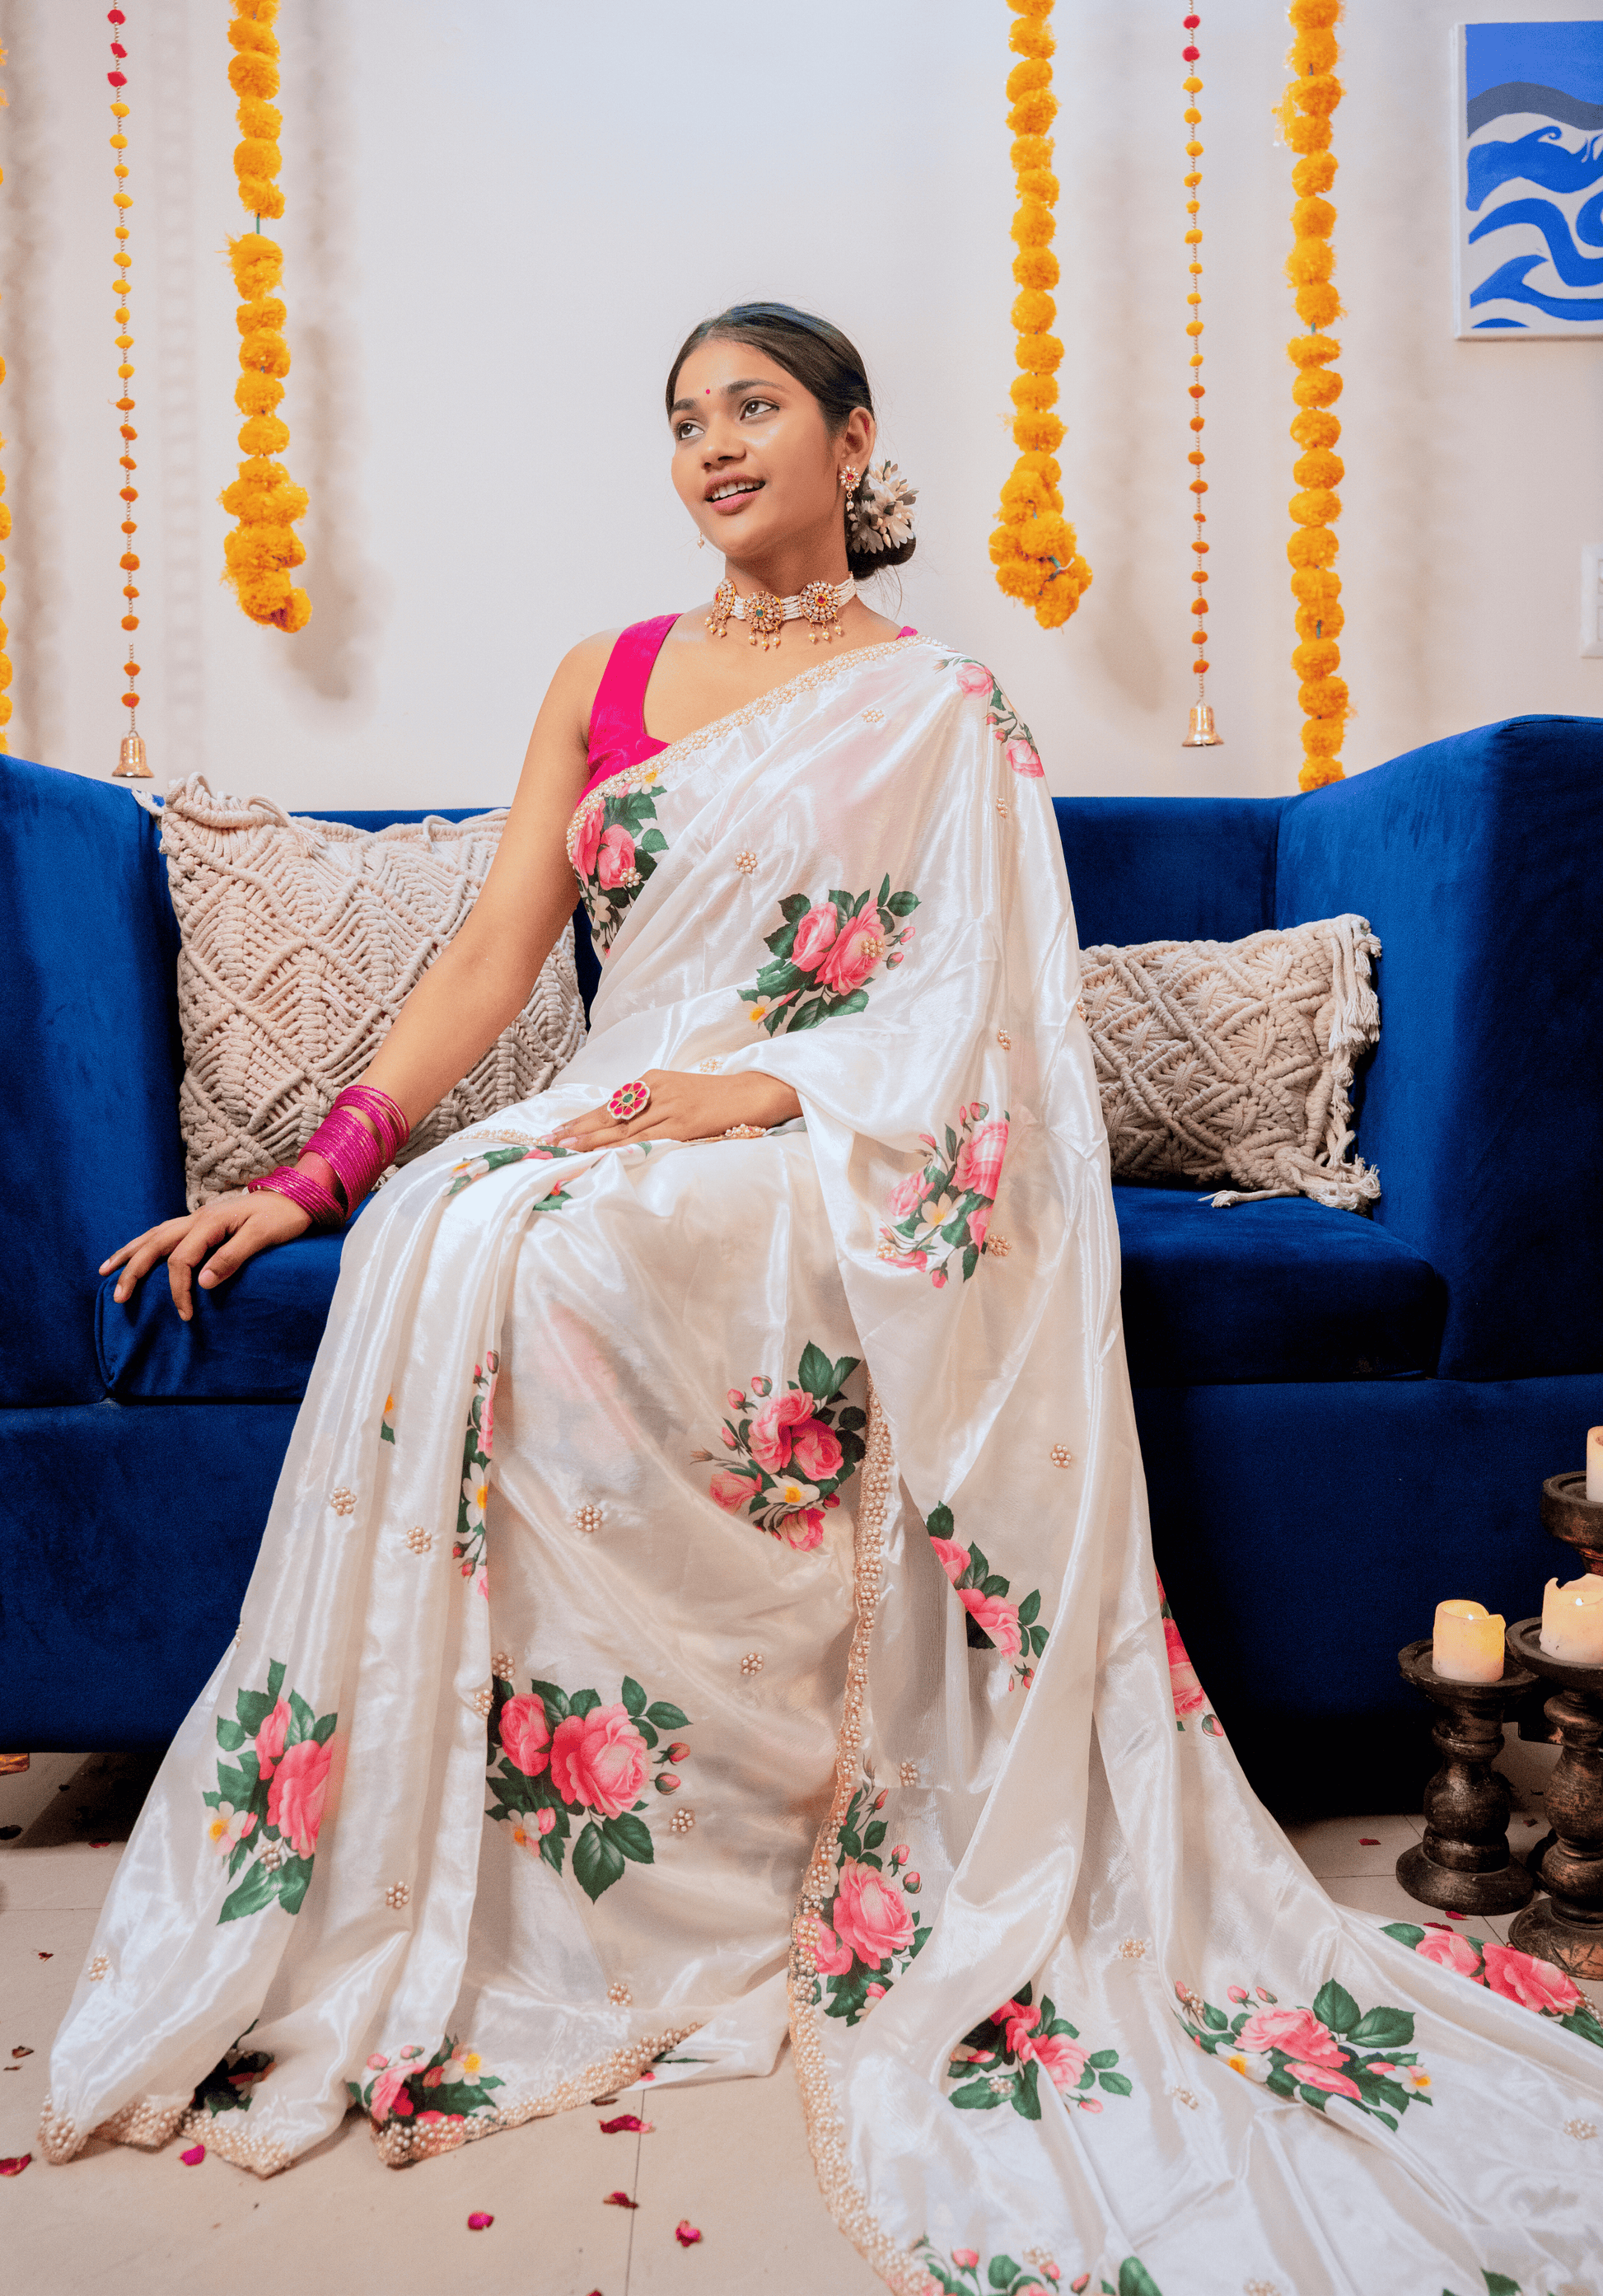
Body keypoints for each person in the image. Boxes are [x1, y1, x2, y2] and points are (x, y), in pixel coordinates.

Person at [44, 306, 1601, 2294]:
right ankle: (550, 1870)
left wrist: (780, 1086)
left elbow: (985, 1014)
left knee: (619, 1236)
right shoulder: (601, 677)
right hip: (631, 1108)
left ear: (852, 440)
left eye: (752, 408)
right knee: (474, 1234)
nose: (709, 446)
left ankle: (798, 1845)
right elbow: (496, 953)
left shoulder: (940, 701)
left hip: (836, 1135)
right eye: (682, 418)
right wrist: (312, 1175)